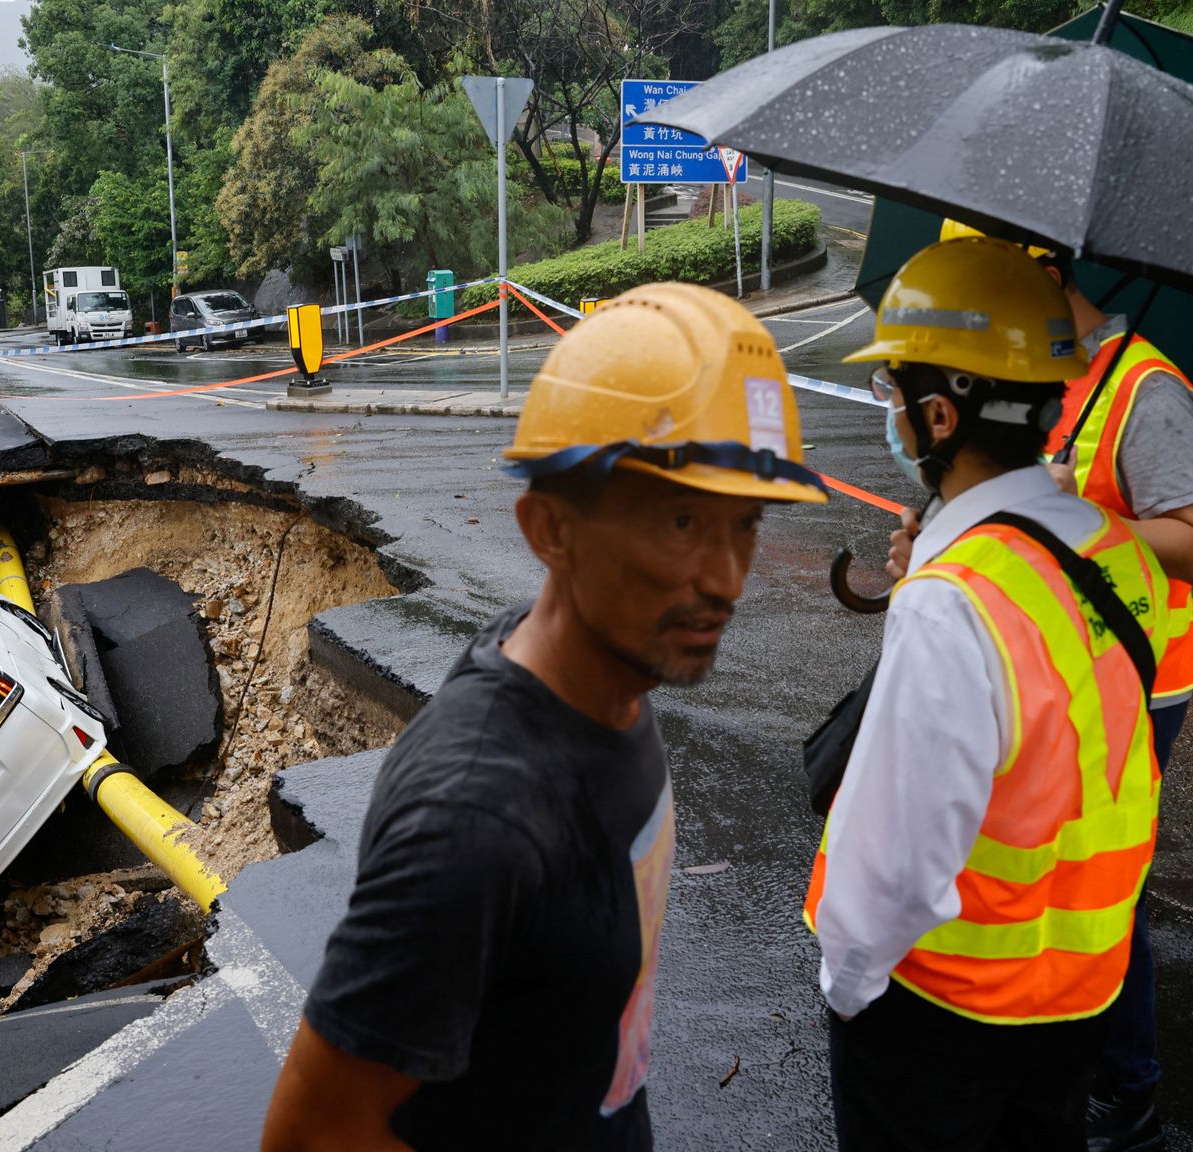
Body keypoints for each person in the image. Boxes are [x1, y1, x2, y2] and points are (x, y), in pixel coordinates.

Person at [260, 282, 827, 1152]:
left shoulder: (609, 678)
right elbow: (315, 1133)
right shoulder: (475, 821)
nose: (726, 578)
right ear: (547, 531)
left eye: (746, 525)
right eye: (681, 521)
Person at [812, 235, 1170, 1150]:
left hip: (941, 1014)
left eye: (893, 390)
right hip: (1078, 993)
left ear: (940, 418)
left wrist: (848, 990)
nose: (887, 409)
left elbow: (892, 864)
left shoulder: (954, 603)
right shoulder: (1112, 552)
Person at [897, 226, 1193, 1152]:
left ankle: (1129, 1089)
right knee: (1029, 870)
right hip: (1045, 656)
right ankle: (1051, 1066)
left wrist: (1063, 522)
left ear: (1043, 274)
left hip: (1135, 676)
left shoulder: (1143, 389)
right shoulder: (1036, 371)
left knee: (1103, 886)